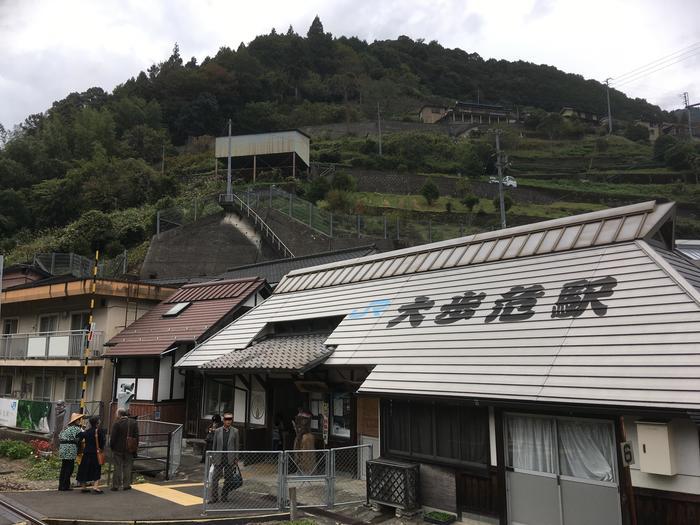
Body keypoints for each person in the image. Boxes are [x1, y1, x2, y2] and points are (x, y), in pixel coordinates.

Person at [208, 412, 239, 503]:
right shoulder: (217, 431)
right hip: (218, 458)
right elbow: (214, 445)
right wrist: (213, 457)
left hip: (230, 458)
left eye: (230, 419)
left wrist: (236, 458)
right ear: (223, 420)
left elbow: (236, 446)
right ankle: (214, 498)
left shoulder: (235, 431)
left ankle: (224, 497)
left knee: (228, 479)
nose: (228, 421)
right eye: (226, 419)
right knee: (215, 478)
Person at [109, 408, 139, 491]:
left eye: (116, 413)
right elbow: (136, 437)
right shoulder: (133, 422)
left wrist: (111, 446)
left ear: (119, 414)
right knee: (128, 466)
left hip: (118, 449)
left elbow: (113, 438)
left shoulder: (117, 423)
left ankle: (116, 485)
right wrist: (135, 449)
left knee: (117, 466)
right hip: (129, 448)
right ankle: (126, 485)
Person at [76, 416, 106, 494]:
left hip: (86, 453)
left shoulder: (87, 431)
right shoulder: (99, 431)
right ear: (97, 423)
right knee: (96, 469)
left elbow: (79, 436)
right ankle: (95, 487)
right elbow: (102, 442)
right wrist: (101, 448)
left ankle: (83, 487)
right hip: (95, 453)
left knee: (84, 469)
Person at [57, 412, 84, 491]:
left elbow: (60, 436)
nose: (80, 421)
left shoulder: (66, 428)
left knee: (64, 467)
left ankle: (61, 485)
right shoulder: (76, 429)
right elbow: (81, 438)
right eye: (79, 419)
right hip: (70, 448)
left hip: (62, 448)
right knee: (70, 467)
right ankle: (65, 486)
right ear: (76, 421)